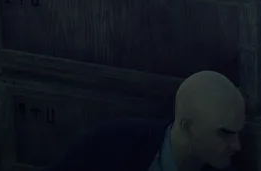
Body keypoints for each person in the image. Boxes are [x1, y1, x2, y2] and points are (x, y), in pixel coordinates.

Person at [46, 71, 245, 171]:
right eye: (225, 133)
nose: (237, 145)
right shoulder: (111, 146)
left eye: (238, 132)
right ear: (188, 128)